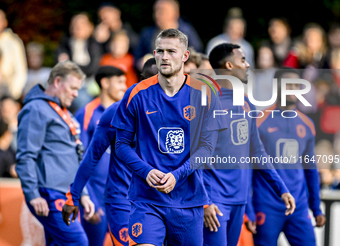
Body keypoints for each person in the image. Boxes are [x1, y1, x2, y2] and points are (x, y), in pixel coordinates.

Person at [111, 28, 226, 245]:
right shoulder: (136, 93)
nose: (164, 57)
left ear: (185, 56)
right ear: (154, 54)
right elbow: (122, 145)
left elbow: (207, 148)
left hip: (188, 200)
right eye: (160, 51)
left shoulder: (205, 93)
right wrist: (147, 172)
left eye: (171, 51)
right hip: (147, 199)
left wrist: (177, 175)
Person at [202, 43, 295, 246]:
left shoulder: (246, 102)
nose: (247, 65)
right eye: (242, 60)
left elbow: (257, 152)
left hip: (239, 201)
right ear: (228, 66)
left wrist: (282, 188)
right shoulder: (207, 103)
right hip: (215, 202)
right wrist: (204, 203)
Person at [15, 60, 95, 246]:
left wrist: (82, 193)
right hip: (50, 194)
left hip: (67, 194)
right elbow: (26, 155)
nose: (76, 94)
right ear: (57, 82)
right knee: (78, 242)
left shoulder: (63, 111)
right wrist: (33, 194)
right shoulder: (36, 108)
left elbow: (74, 157)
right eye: (73, 88)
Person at [245, 67, 326, 246]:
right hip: (266, 205)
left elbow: (310, 169)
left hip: (299, 206)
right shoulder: (259, 121)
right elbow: (247, 169)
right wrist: (249, 209)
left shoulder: (307, 124)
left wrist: (316, 208)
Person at [72, 66, 127, 246]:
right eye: (119, 82)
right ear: (104, 83)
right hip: (96, 199)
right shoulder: (86, 114)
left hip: (121, 198)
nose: (124, 87)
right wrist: (90, 200)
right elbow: (80, 159)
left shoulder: (126, 112)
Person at [134, 0, 203, 70]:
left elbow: (197, 55)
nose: (157, 15)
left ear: (176, 13)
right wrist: (141, 62)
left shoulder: (187, 32)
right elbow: (137, 56)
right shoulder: (147, 33)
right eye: (156, 11)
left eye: (162, 11)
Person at [55, 12, 102, 112]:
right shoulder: (65, 44)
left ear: (90, 27)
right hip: (66, 85)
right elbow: (59, 67)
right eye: (74, 24)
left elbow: (91, 69)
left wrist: (70, 63)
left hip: (88, 86)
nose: (77, 27)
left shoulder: (94, 44)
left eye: (82, 24)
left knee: (82, 101)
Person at [0, 9, 27, 99]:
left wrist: (13, 94)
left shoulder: (13, 43)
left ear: (5, 22)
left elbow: (20, 70)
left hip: (7, 92)